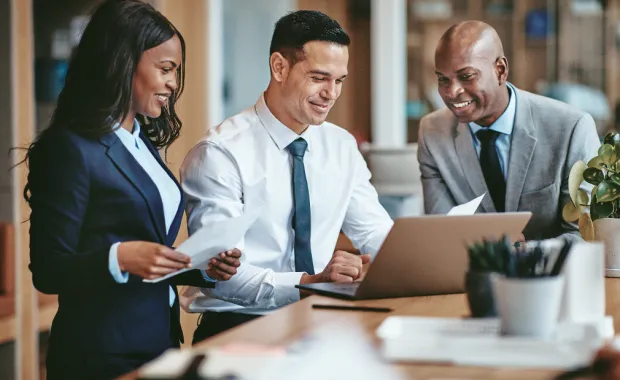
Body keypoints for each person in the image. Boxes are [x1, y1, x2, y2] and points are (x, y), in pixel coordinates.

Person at [24, 1, 240, 379]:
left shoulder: (141, 144)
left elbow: (146, 250)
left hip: (159, 343)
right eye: (165, 69)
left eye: (176, 71)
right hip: (100, 355)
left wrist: (202, 267)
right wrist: (119, 257)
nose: (173, 84)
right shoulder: (71, 148)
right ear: (124, 63)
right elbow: (48, 268)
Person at [180, 10, 393, 343]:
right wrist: (312, 282)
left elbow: (375, 233)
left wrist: (412, 261)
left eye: (339, 80)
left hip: (323, 324)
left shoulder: (341, 146)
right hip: (238, 330)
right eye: (319, 77)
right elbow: (224, 277)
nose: (331, 93)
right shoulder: (220, 153)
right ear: (279, 67)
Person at [417, 21, 600, 241]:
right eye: (443, 79)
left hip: (551, 273)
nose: (452, 92)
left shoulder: (571, 128)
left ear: (500, 70)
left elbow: (583, 234)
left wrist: (523, 256)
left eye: (466, 76)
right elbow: (442, 231)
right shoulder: (432, 133)